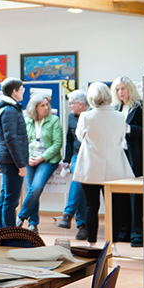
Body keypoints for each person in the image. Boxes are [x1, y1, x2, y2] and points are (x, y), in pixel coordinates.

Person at [73, 81, 131, 246]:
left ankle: (92, 243)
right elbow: (122, 138)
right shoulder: (120, 117)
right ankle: (113, 244)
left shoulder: (86, 117)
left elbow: (80, 137)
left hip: (91, 166)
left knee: (91, 205)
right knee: (115, 207)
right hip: (115, 166)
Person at [112, 75, 144, 247]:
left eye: (123, 88)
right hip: (119, 154)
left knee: (135, 196)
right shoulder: (115, 109)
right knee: (121, 194)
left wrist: (129, 129)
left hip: (135, 155)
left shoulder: (139, 107)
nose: (120, 92)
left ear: (130, 89)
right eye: (117, 89)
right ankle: (123, 232)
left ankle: (137, 234)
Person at [18, 93, 62, 230]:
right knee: (31, 190)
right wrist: (27, 157)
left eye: (47, 105)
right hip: (30, 159)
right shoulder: (27, 121)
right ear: (35, 108)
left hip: (47, 160)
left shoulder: (54, 120)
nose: (46, 108)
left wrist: (40, 158)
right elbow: (22, 142)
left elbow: (57, 144)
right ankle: (33, 224)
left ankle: (21, 217)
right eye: (42, 105)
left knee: (36, 188)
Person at [0, 78, 27, 229]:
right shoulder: (9, 111)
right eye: (21, 89)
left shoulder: (7, 108)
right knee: (11, 201)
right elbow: (11, 139)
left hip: (8, 159)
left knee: (6, 197)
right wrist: (21, 165)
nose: (23, 92)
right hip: (11, 160)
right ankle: (10, 234)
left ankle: (3, 232)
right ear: (14, 91)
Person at [55, 90, 88, 228]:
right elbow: (69, 139)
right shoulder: (71, 116)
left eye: (71, 103)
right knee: (78, 179)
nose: (69, 106)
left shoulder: (92, 116)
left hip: (90, 155)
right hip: (76, 155)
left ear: (80, 104)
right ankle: (80, 225)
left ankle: (69, 215)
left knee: (79, 181)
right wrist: (66, 160)